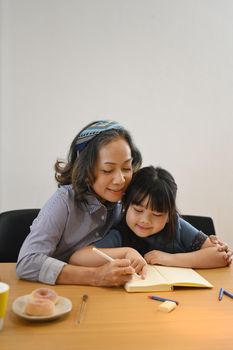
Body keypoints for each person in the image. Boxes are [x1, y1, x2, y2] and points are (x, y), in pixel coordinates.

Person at [16, 120, 143, 286]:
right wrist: (96, 276)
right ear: (85, 169)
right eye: (107, 170)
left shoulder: (120, 201)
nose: (120, 180)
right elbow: (27, 262)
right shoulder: (63, 202)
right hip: (50, 295)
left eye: (126, 168)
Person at [69, 166, 232, 274]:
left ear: (169, 215)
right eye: (138, 210)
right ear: (125, 205)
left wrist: (169, 259)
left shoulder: (176, 226)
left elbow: (220, 256)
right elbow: (77, 258)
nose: (145, 220)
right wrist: (126, 252)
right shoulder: (120, 232)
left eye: (157, 214)